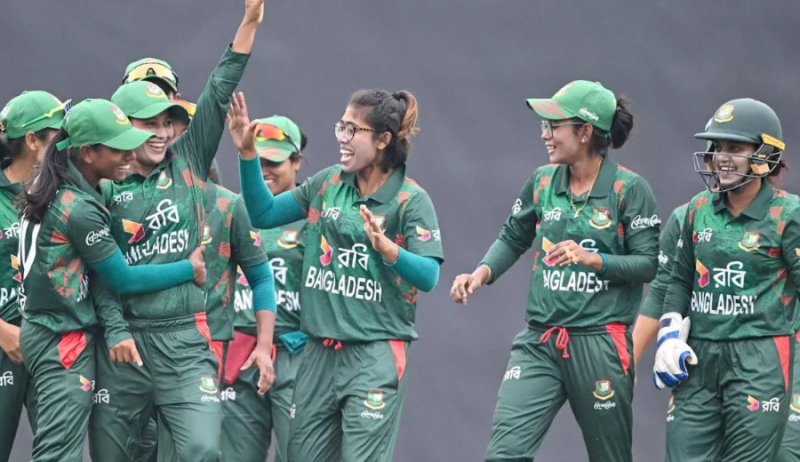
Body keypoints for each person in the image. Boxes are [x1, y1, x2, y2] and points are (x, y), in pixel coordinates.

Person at [88, 2, 272, 459]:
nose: (161, 132)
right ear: (122, 126)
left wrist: (248, 23)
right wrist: (116, 331)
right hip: (123, 345)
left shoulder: (187, 160)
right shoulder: (101, 186)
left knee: (201, 449)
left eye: (167, 122)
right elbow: (101, 275)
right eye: (148, 123)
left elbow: (219, 87)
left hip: (184, 341)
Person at [451, 80, 659, 462]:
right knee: (504, 454)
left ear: (585, 131)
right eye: (544, 125)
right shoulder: (543, 180)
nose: (544, 134)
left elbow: (648, 263)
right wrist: (479, 274)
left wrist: (595, 259)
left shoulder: (629, 189)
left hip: (600, 342)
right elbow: (513, 236)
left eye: (553, 125)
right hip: (540, 340)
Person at [235, 89, 444, 462]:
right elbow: (262, 214)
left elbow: (428, 275)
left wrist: (389, 250)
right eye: (341, 127)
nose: (342, 138)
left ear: (382, 140)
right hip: (318, 354)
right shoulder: (328, 183)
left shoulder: (411, 200)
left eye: (353, 130)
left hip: (373, 353)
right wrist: (248, 155)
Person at [16, 98, 206, 462]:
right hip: (61, 338)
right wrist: (189, 268)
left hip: (49, 331)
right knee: (59, 453)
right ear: (87, 152)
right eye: (118, 148)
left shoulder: (57, 184)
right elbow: (123, 278)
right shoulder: (78, 207)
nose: (129, 155)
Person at [654, 98, 799, 462]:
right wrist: (668, 337)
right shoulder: (697, 209)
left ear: (765, 155)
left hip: (760, 359)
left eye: (735, 148)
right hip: (698, 359)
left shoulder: (788, 215)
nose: (722, 157)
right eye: (717, 147)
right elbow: (679, 281)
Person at [222, 115, 308, 462]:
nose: (265, 170)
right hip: (239, 355)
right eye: (258, 161)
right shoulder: (232, 210)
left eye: (273, 161)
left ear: (297, 161)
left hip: (295, 354)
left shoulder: (314, 215)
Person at [0, 90, 67, 462]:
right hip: (4, 341)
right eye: (58, 133)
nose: (65, 142)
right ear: (32, 140)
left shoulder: (65, 193)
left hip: (51, 341)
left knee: (59, 453)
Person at [632, 203, 688, 367]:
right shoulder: (686, 216)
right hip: (698, 350)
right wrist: (629, 363)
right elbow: (662, 290)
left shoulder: (763, 219)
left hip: (753, 351)